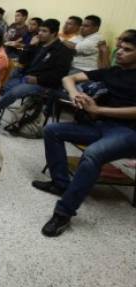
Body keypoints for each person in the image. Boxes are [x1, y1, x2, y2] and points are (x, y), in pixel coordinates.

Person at [32, 34, 136, 237]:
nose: (120, 52)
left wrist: (99, 111)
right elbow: (68, 78)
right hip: (101, 125)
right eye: (120, 47)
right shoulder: (113, 72)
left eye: (127, 49)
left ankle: (63, 213)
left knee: (92, 154)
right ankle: (61, 184)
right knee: (52, 130)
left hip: (128, 132)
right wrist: (74, 94)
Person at [0, 19, 73, 120]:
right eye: (40, 30)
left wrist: (38, 80)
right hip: (27, 76)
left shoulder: (63, 51)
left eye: (44, 31)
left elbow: (60, 74)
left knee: (15, 92)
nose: (40, 34)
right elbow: (22, 61)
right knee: (4, 85)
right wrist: (30, 45)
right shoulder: (38, 44)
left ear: (54, 33)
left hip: (44, 84)